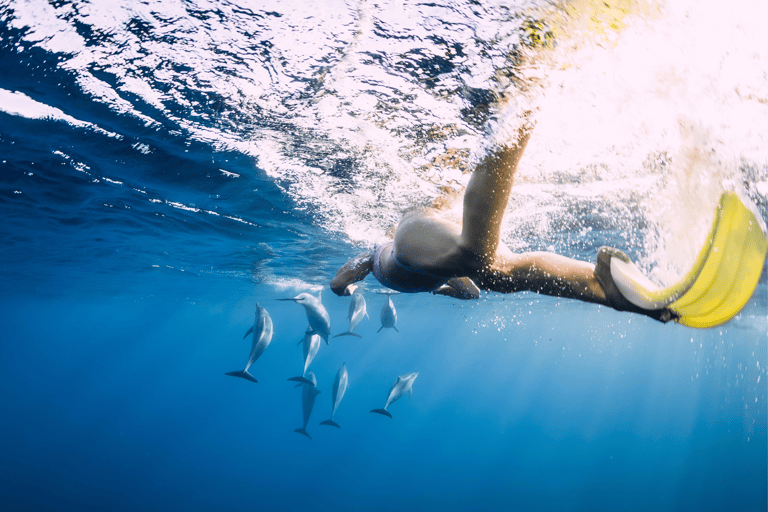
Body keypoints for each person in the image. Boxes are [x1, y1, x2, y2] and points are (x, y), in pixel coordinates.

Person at [330, 118, 675, 323]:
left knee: (477, 258)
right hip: (436, 246)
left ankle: (514, 120)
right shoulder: (442, 274)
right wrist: (445, 289)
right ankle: (605, 287)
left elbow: (338, 281)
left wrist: (347, 288)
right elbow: (473, 294)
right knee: (502, 274)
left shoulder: (377, 250)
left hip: (406, 243)